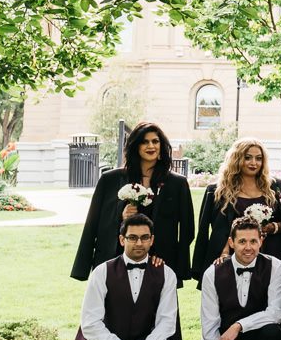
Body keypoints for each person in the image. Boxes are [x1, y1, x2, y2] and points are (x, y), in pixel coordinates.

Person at [51, 213, 195, 340]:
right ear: (122, 240)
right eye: (132, 237)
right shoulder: (102, 272)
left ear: (152, 240)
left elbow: (167, 322)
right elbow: (90, 323)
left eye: (145, 237)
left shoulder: (166, 274)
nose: (139, 243)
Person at [71, 121, 194, 283]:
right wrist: (121, 215)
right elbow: (92, 224)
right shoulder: (110, 180)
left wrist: (177, 266)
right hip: (117, 259)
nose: (151, 146)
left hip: (159, 262)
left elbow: (187, 229)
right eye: (145, 141)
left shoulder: (177, 183)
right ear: (135, 146)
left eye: (155, 141)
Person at [192, 139, 281, 281]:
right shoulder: (217, 191)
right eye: (248, 157)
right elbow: (206, 230)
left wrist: (272, 227)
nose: (254, 163)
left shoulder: (278, 187)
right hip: (234, 256)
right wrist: (220, 254)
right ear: (236, 159)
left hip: (274, 254)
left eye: (259, 158)